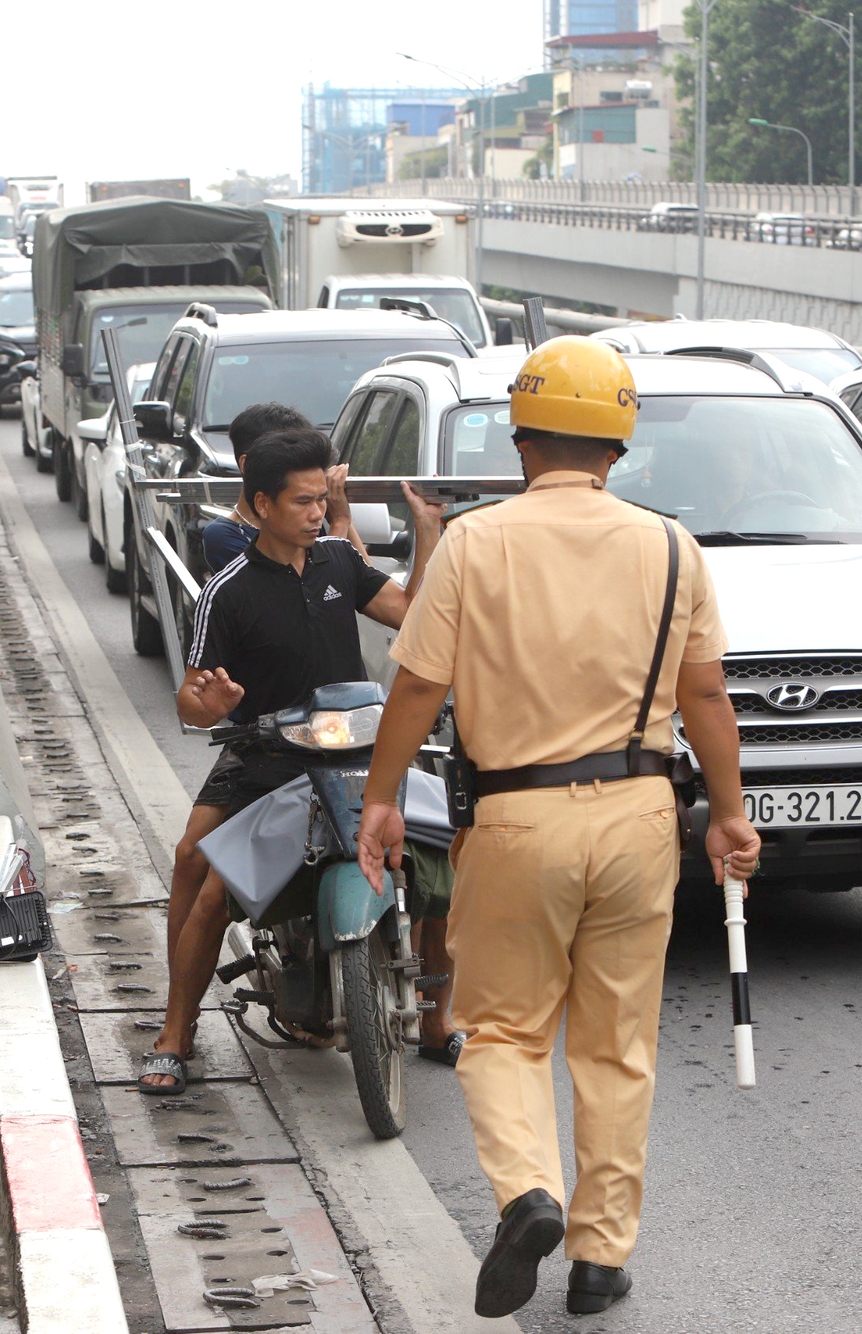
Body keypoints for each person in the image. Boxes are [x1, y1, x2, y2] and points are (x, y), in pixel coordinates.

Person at [350, 338, 761, 1319]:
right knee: (616, 1042)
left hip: (515, 813)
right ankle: (597, 1254)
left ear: (518, 436)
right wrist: (732, 813)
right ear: (616, 446)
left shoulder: (477, 544)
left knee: (500, 1028)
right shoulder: (669, 545)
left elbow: (416, 681)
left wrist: (378, 794)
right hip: (638, 814)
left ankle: (527, 1190)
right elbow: (703, 690)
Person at [138, 428, 445, 1096]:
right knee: (207, 876)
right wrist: (213, 702)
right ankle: (176, 1030)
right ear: (260, 506)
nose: (317, 512)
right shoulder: (230, 590)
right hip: (267, 755)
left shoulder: (339, 560)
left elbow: (411, 616)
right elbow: (191, 701)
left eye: (320, 499)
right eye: (303, 502)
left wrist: (427, 534)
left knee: (439, 850)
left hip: (361, 748)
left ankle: (442, 1018)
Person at [201, 402, 318, 572]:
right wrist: (339, 523)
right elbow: (299, 591)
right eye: (288, 460)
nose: (299, 472)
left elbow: (368, 588)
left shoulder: (309, 516)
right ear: (247, 464)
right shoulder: (223, 537)